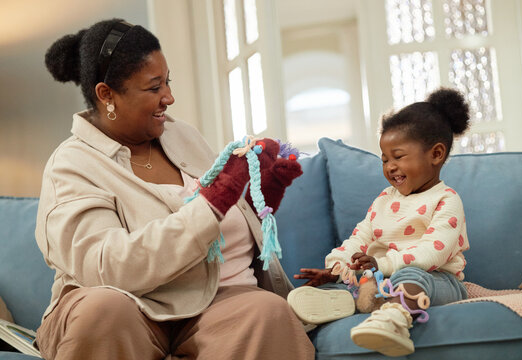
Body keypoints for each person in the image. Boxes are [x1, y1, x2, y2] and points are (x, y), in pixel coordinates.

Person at [35, 18, 314, 360]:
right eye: (154, 88)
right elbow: (106, 267)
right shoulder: (71, 164)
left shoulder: (181, 135)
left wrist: (262, 195)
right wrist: (215, 200)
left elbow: (218, 225)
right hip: (126, 307)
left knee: (267, 312)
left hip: (212, 302)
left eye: (167, 82)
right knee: (104, 310)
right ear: (107, 95)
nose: (169, 97)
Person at [287, 88, 470, 357]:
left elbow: (433, 252)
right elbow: (361, 237)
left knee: (412, 276)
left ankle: (394, 319)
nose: (390, 166)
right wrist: (338, 268)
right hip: (382, 277)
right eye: (385, 159)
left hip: (436, 279)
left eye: (398, 156)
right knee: (349, 281)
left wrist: (382, 265)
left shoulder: (446, 199)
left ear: (436, 154)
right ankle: (347, 299)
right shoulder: (385, 199)